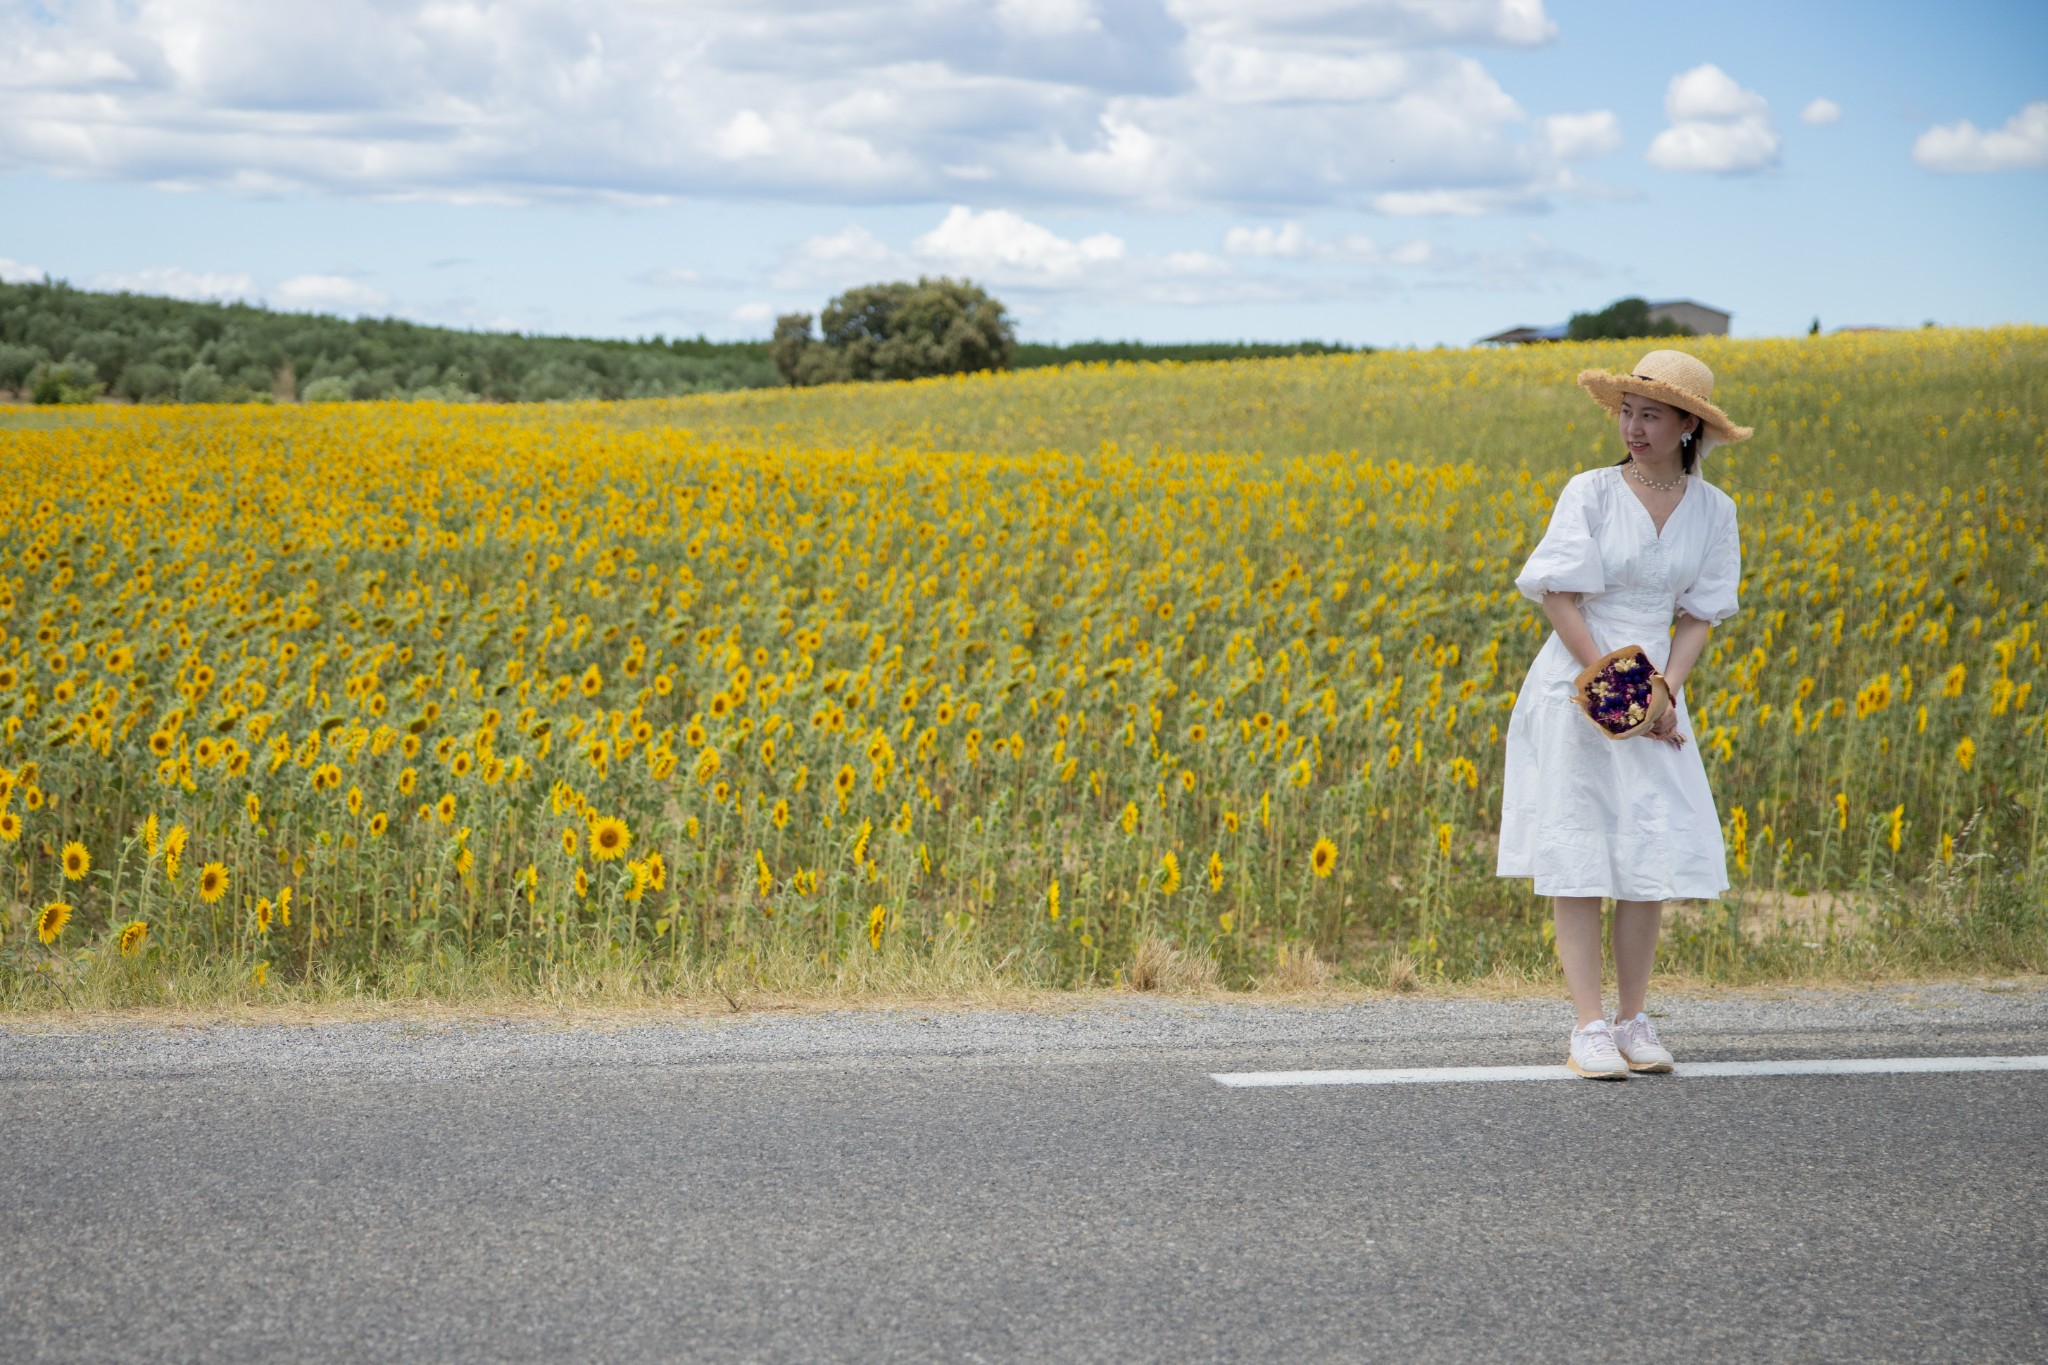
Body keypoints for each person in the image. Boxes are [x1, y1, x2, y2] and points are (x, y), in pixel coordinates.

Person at [1496, 350, 1752, 1079]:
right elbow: (1556, 594)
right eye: (1627, 412)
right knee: (1578, 852)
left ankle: (1634, 1018)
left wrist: (1664, 691)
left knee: (1648, 852)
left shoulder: (1715, 511)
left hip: (1658, 696)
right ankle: (1587, 1026)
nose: (1633, 427)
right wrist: (1613, 685)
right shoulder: (1592, 493)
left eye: (1651, 414)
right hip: (1579, 680)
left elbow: (1702, 614)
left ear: (1688, 425)